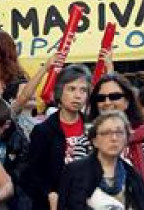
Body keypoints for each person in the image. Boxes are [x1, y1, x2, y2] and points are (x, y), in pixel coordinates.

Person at [23, 65, 92, 210]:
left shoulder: (93, 128)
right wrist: (49, 194)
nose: (78, 95)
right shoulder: (43, 131)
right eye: (71, 89)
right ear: (60, 92)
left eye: (83, 90)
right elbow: (31, 175)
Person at [58, 111, 144, 210]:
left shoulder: (133, 176)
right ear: (94, 141)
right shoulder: (74, 172)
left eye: (119, 132)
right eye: (106, 133)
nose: (114, 138)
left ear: (127, 139)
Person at [90, 73, 144, 179]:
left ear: (127, 101)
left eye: (115, 96)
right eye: (101, 98)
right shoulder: (87, 139)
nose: (107, 102)